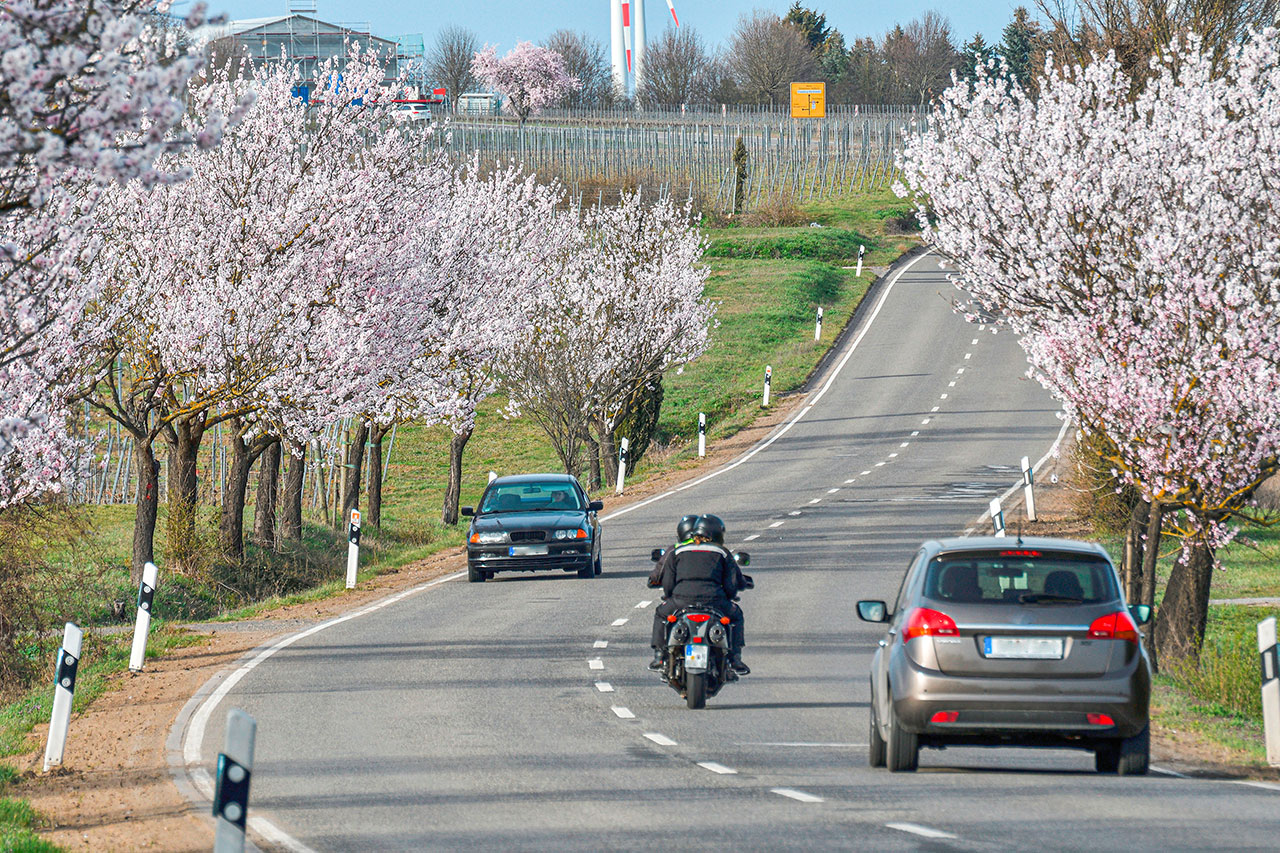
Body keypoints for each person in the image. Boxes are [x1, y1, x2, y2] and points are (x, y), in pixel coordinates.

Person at [649, 514, 749, 675]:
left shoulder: (678, 551)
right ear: (716, 534)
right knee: (736, 615)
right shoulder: (721, 552)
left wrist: (671, 596)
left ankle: (659, 656)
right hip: (714, 601)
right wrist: (729, 595)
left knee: (661, 614)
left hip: (681, 600)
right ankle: (735, 658)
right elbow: (731, 585)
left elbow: (668, 584)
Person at [647, 514, 699, 589]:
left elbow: (655, 578)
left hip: (680, 597)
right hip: (713, 597)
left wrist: (653, 580)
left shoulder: (674, 550)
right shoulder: (716, 551)